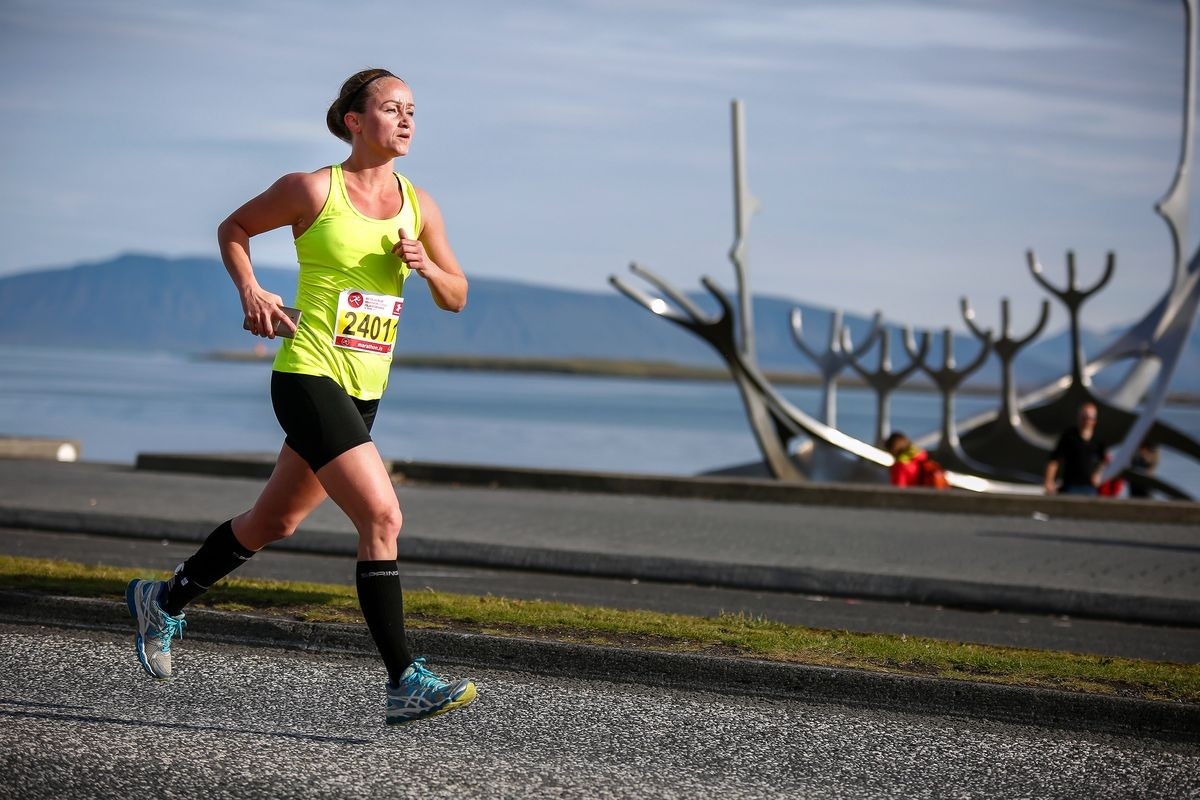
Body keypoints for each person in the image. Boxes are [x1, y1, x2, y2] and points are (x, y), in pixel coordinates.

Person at [125, 68, 476, 726]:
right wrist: (251, 290)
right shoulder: (313, 189)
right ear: (354, 120)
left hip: (363, 390)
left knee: (273, 523)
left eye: (413, 111)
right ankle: (404, 678)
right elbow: (233, 227)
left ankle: (163, 600)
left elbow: (457, 295)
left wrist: (426, 266)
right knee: (383, 517)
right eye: (391, 109)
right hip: (307, 376)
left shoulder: (419, 204)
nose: (406, 121)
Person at [1043, 401, 1107, 496]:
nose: (1087, 421)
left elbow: (1104, 460)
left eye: (1090, 418)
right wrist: (1049, 481)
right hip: (1070, 487)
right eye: (1084, 417)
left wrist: (1098, 473)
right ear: (1079, 418)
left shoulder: (1098, 439)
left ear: (1095, 420)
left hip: (1090, 488)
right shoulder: (1069, 436)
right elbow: (1054, 460)